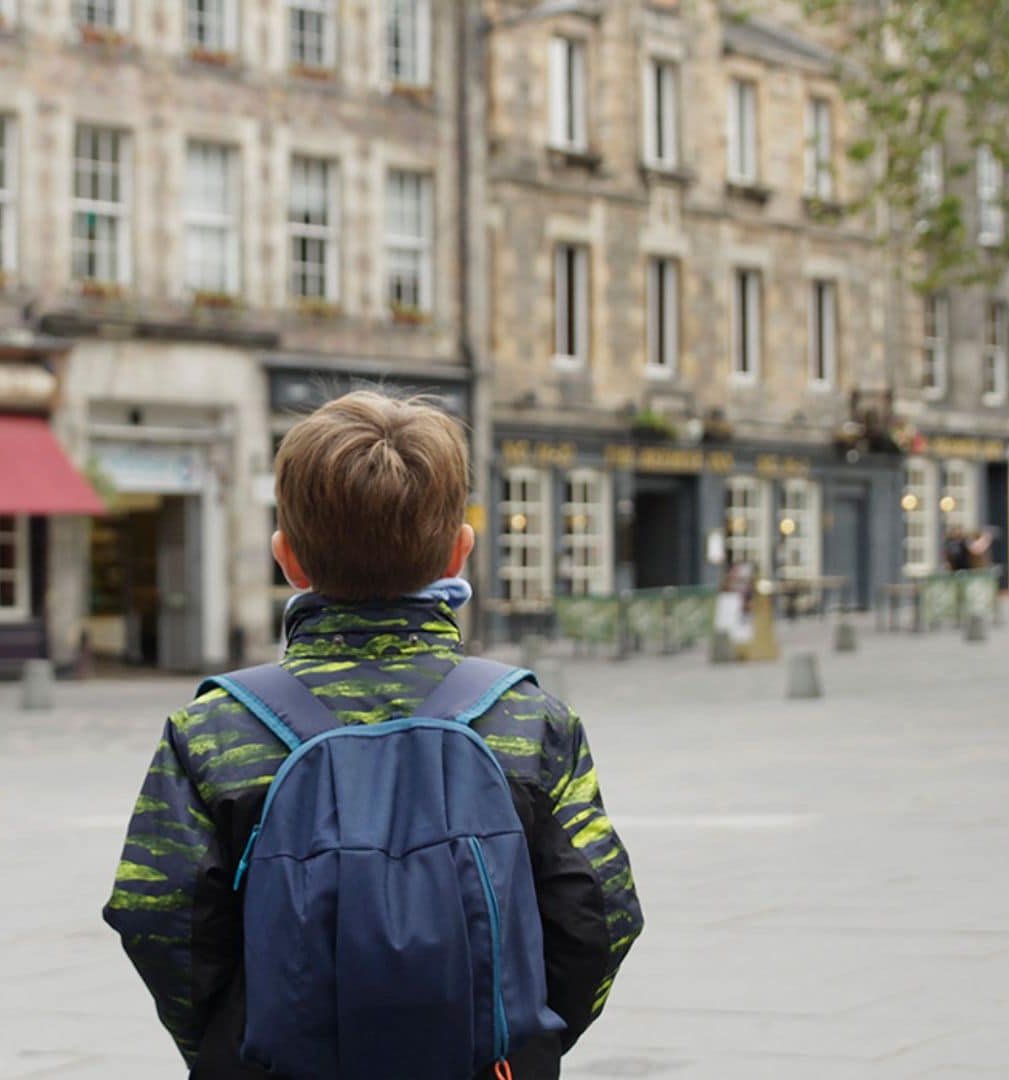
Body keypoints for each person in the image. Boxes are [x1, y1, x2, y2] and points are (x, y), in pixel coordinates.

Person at [103, 391, 643, 1080]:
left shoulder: (213, 727)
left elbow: (158, 917)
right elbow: (600, 912)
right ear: (459, 552)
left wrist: (231, 1046)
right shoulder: (529, 720)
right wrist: (517, 1038)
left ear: (287, 558)